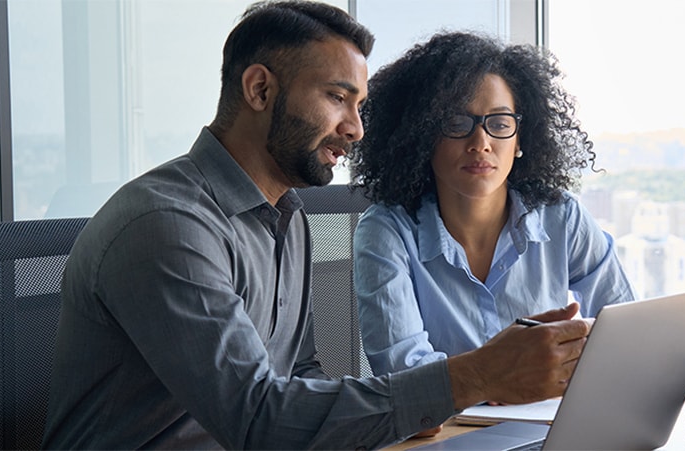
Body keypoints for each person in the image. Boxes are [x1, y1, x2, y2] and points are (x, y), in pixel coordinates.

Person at [42, 3, 593, 450]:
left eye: (360, 106)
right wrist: (472, 377)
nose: (355, 129)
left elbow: (300, 374)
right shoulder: (168, 225)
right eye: (337, 98)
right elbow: (257, 420)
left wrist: (407, 408)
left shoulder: (287, 216)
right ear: (260, 90)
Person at [350, 32, 636, 377]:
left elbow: (626, 331)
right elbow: (405, 375)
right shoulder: (386, 232)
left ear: (520, 139)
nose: (481, 142)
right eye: (457, 123)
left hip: (551, 421)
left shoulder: (562, 217)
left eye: (500, 124)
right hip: (445, 430)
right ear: (423, 136)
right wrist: (496, 379)